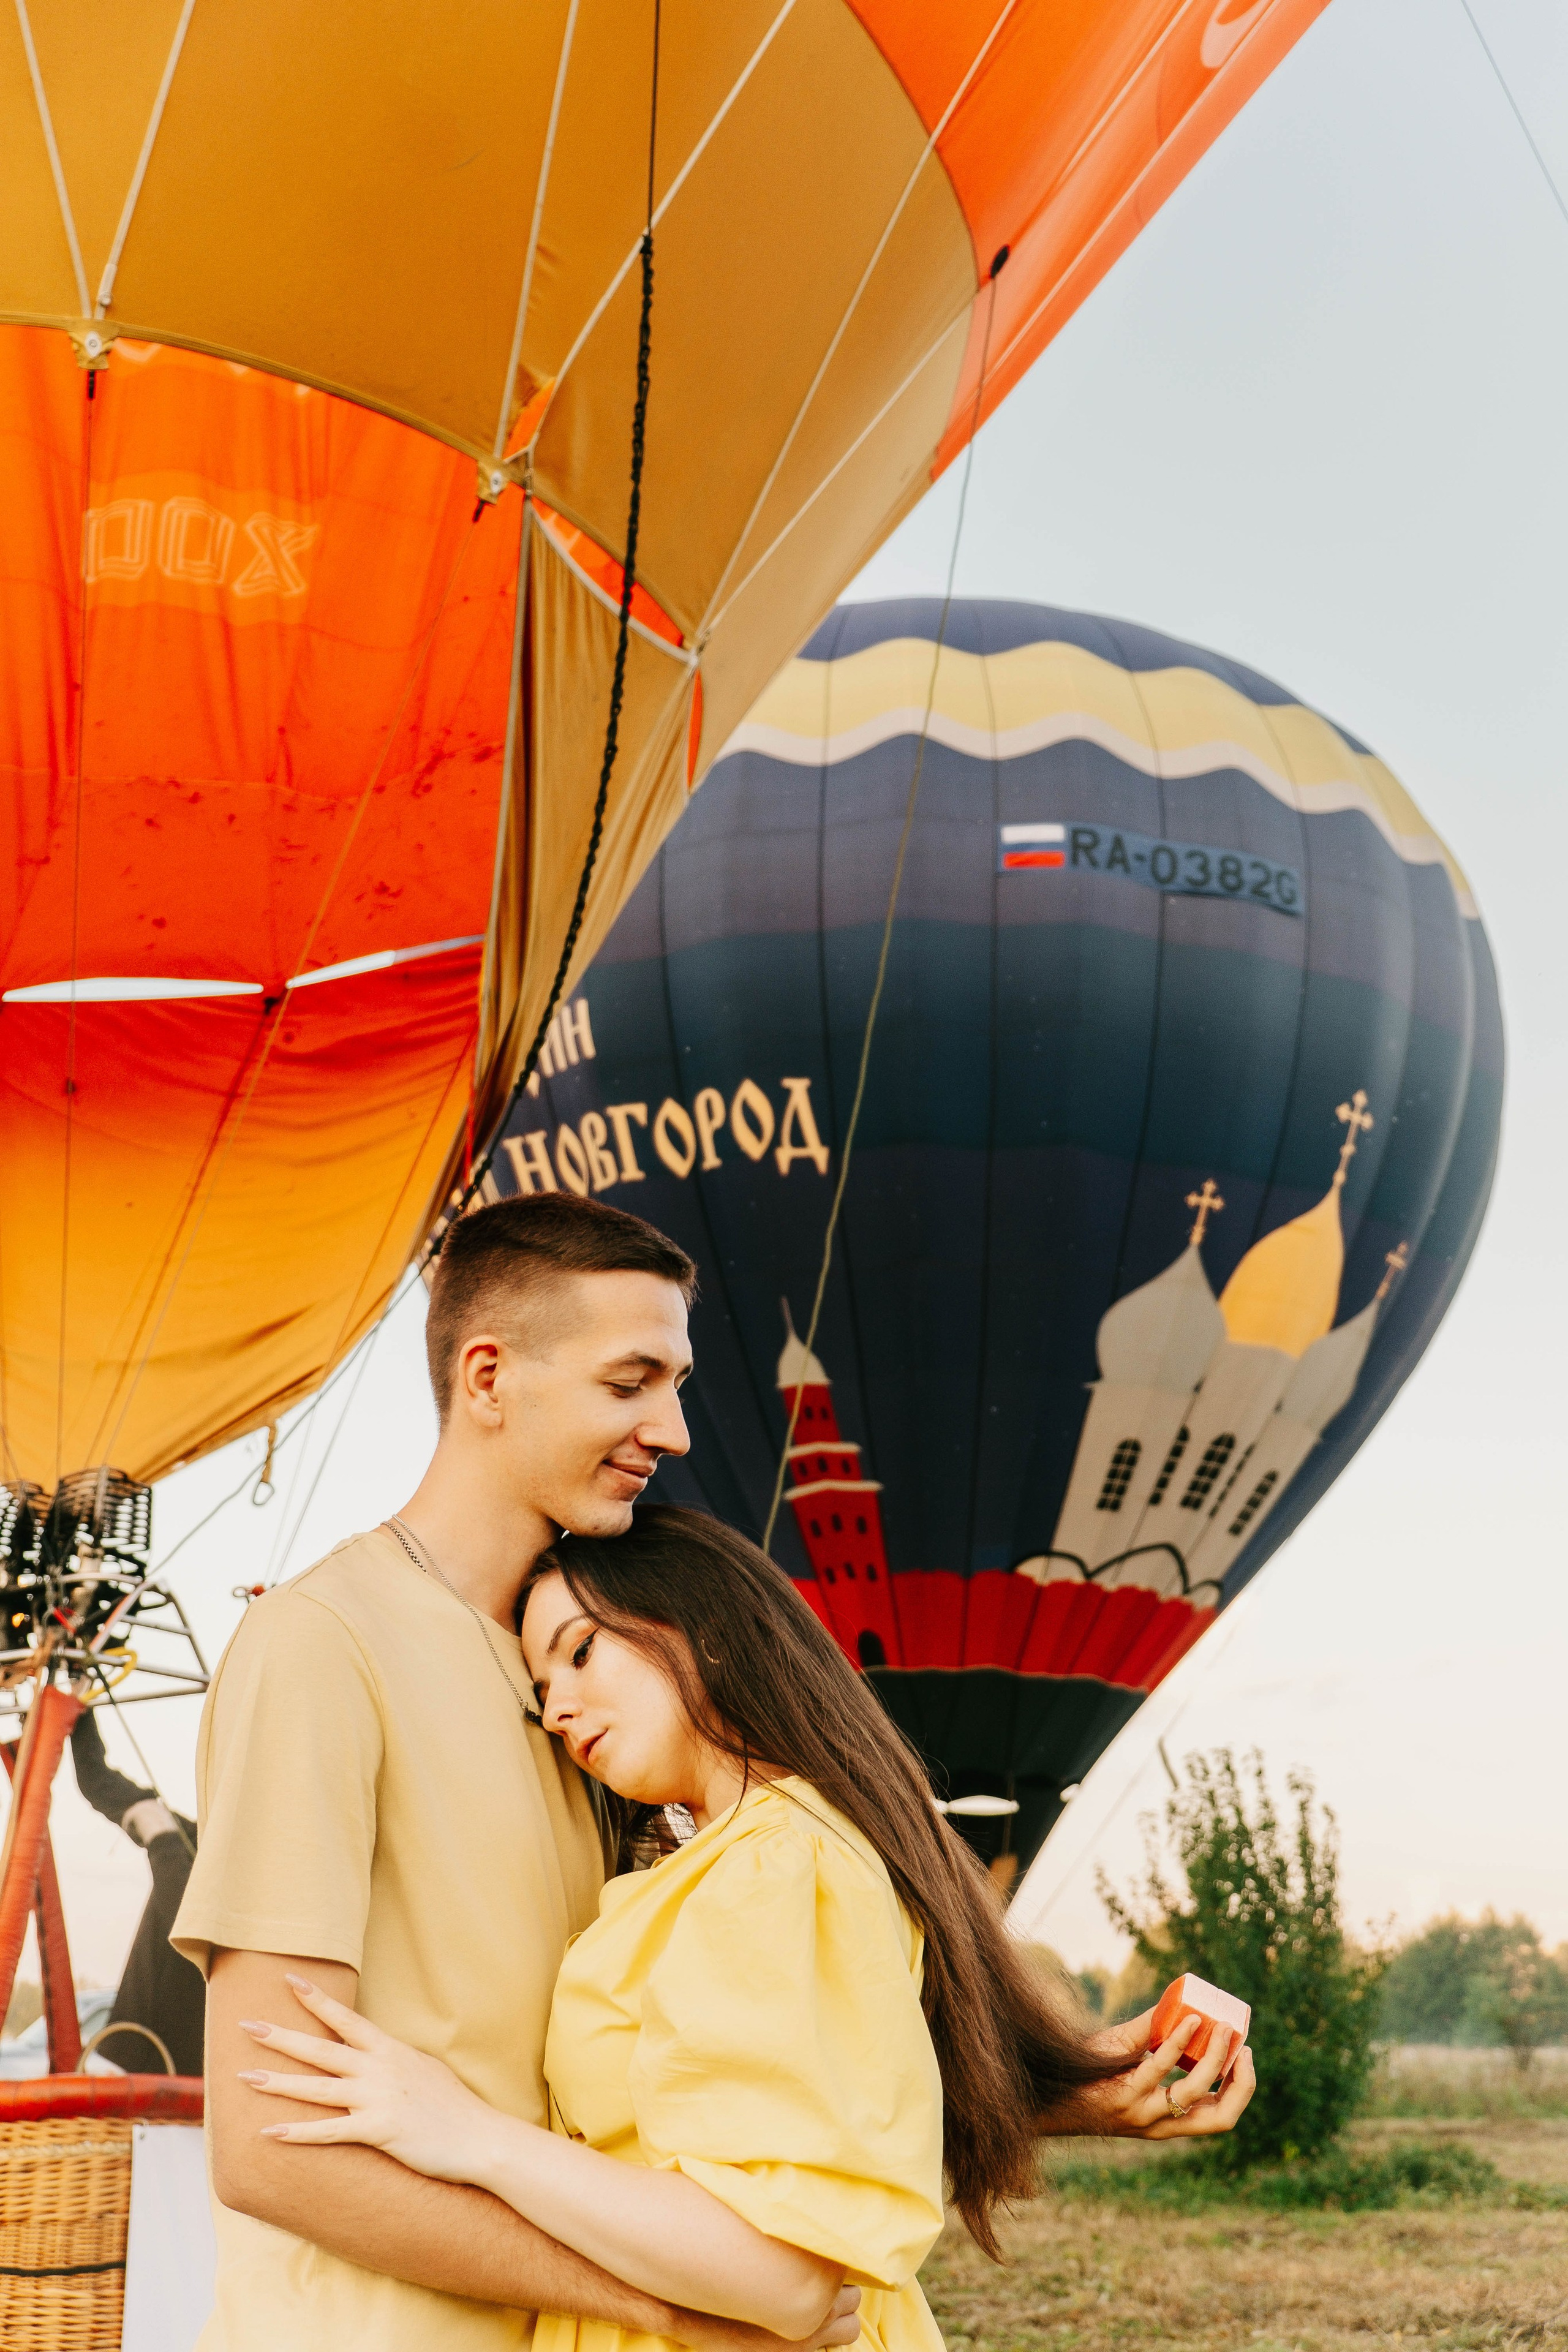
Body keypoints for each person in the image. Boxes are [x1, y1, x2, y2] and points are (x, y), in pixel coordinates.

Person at [235, 1506, 1256, 2352]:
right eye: (541, 1688)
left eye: (583, 1651)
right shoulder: (756, 1858)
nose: (559, 1709)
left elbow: (780, 2274)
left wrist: (464, 2133)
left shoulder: (777, 1867)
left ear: (703, 1622)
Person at [175, 1192, 861, 2352]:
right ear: (487, 1378)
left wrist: (1078, 2088)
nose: (677, 1430)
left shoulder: (601, 1687)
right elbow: (269, 2152)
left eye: (678, 1386)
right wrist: (669, 2305)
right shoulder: (322, 1644)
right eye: (629, 1381)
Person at [69, 1706, 204, 2077]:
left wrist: (162, 1842)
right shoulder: (195, 1841)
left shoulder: (182, 1849)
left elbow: (190, 1923)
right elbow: (97, 1782)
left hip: (194, 2080)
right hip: (143, 2071)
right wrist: (80, 1703)